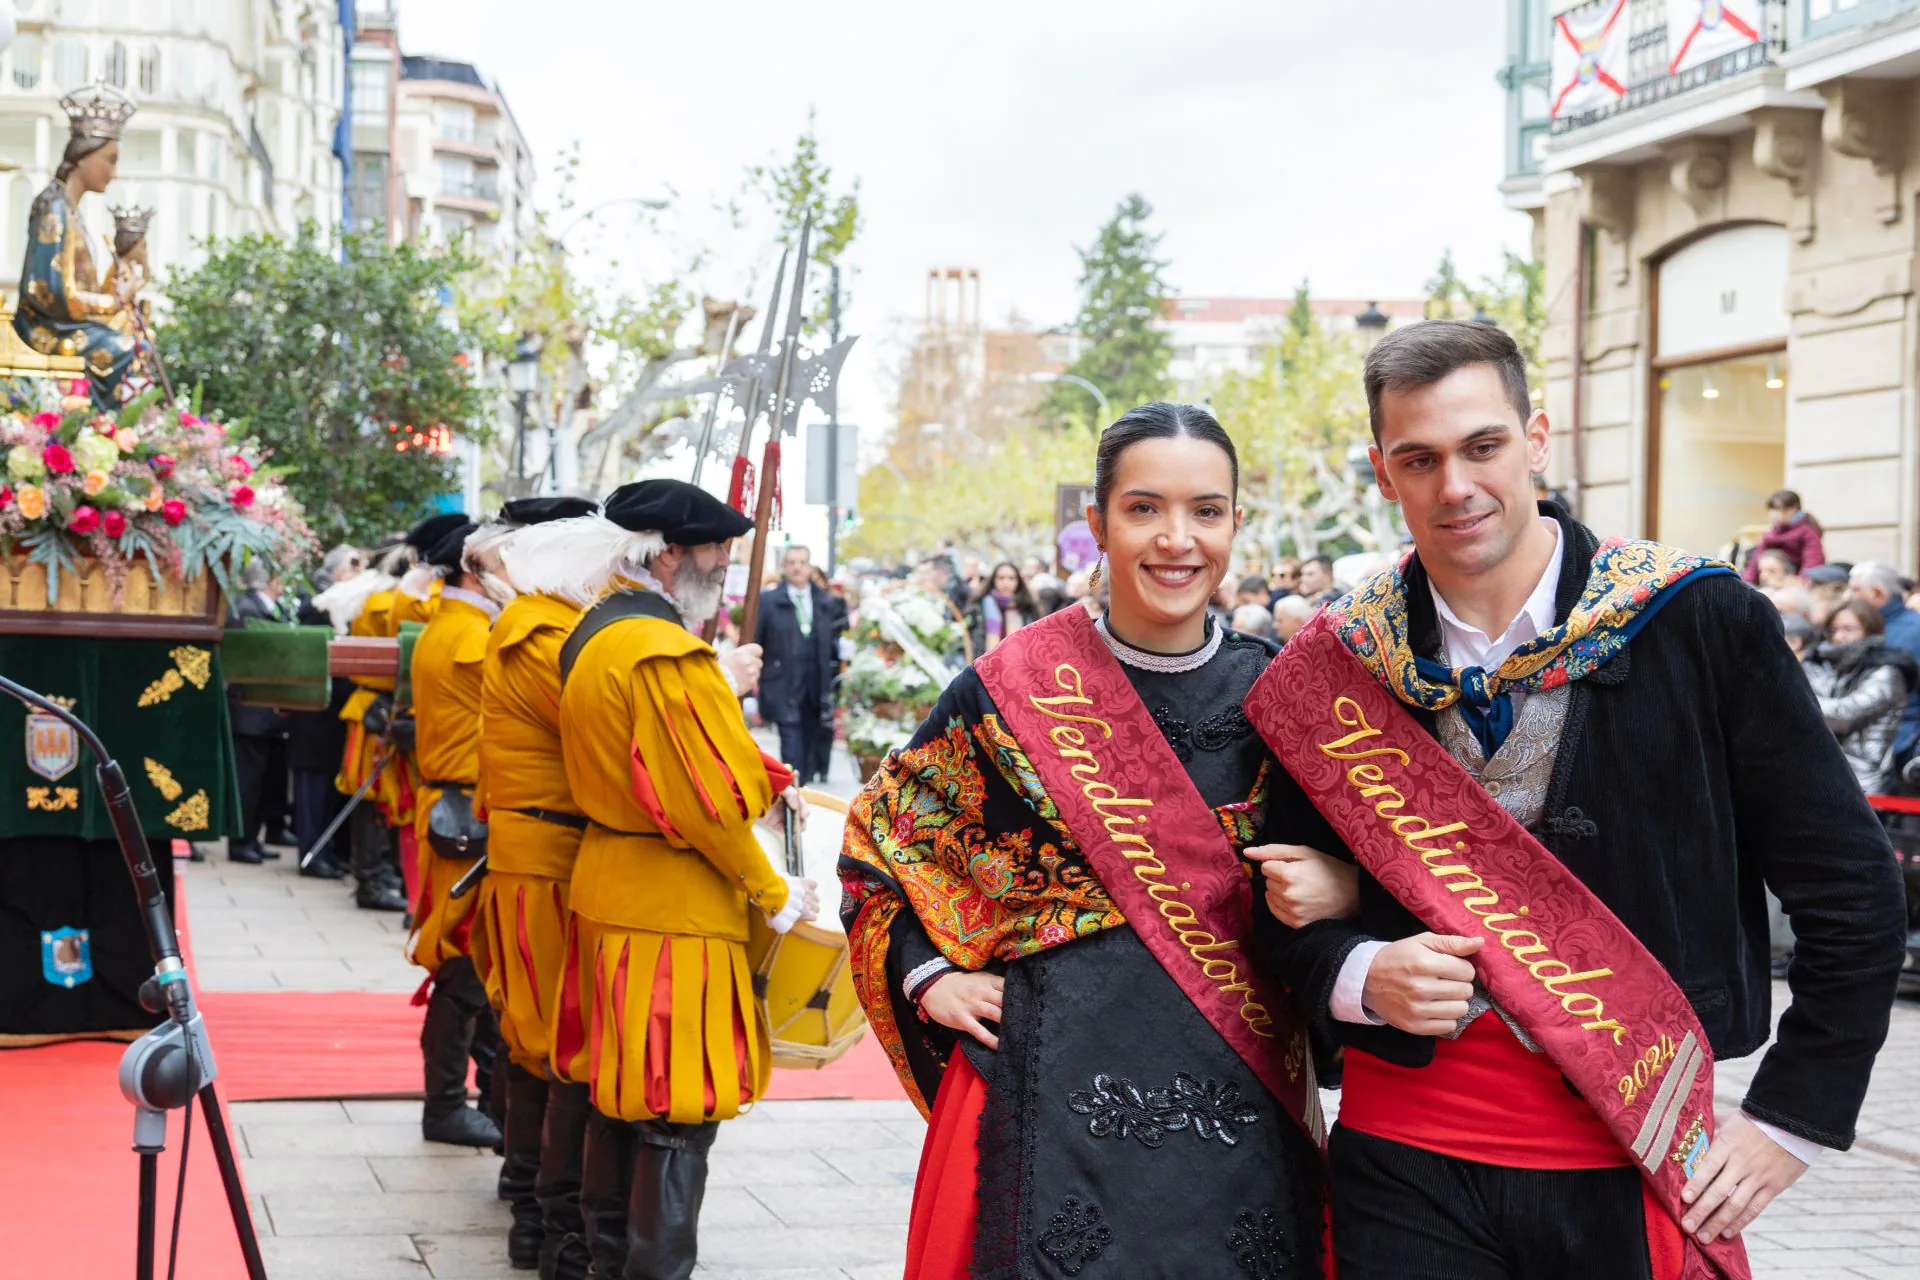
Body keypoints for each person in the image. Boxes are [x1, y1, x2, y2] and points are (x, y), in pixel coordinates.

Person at [1246, 320, 1904, 1279]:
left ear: (1537, 438)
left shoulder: (1699, 619)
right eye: (1418, 460)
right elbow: (1275, 914)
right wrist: (1360, 972)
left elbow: (1853, 892)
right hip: (1404, 1164)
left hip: (1625, 1144)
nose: (1456, 486)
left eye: (1483, 446)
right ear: (1385, 477)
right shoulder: (1338, 663)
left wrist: (1792, 1120)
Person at [843, 402, 1336, 1277]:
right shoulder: (1006, 690)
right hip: (1043, 1081)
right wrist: (928, 974)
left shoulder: (1285, 695)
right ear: (1096, 526)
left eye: (1206, 511)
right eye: (1144, 509)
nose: (1177, 539)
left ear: (1234, 526)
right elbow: (883, 842)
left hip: (1244, 1093)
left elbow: (1370, 871)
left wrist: (1341, 889)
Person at [549, 480, 818, 1280]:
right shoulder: (664, 651)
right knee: (676, 1108)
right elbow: (704, 804)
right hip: (671, 907)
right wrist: (773, 892)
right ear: (668, 551)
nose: (727, 568)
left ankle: (603, 1266)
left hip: (610, 887)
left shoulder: (599, 634)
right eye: (717, 552)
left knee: (619, 1097)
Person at [458, 496, 600, 1274]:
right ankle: (548, 1224)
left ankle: (531, 1201)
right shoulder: (544, 629)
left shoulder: (532, 623)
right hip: (547, 854)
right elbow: (609, 723)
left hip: (531, 848)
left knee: (533, 1032)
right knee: (555, 1040)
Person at [406, 519, 504, 1149]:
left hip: (456, 807)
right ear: (474, 570)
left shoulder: (452, 625)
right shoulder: (475, 636)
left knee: (468, 961)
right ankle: (445, 1105)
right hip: (467, 813)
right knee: (465, 965)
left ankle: (471, 1098)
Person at [14, 84, 144, 409]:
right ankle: (99, 426)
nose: (113, 173)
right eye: (110, 160)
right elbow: (49, 292)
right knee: (121, 346)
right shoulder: (54, 209)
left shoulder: (72, 212)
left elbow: (82, 286)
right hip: (44, 329)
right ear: (84, 156)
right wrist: (111, 302)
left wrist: (122, 277)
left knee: (139, 338)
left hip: (67, 324)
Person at [1804, 599, 1918, 794]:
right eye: (1833, 630)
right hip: (1817, 776)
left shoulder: (1887, 671)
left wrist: (1798, 704)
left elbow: (1845, 715)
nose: (1839, 636)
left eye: (1848, 629)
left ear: (1869, 629)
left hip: (1863, 783)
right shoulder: (1821, 664)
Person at [756, 544, 842, 786]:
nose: (797, 567)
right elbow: (757, 639)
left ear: (810, 567)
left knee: (809, 741)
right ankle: (794, 791)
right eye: (792, 562)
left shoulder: (824, 602)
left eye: (802, 562)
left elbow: (834, 644)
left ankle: (802, 791)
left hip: (814, 686)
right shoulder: (770, 601)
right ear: (784, 567)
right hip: (783, 684)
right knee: (790, 743)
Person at [225, 559, 290, 865]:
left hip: (265, 713)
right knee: (248, 783)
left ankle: (253, 837)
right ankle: (241, 842)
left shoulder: (259, 606)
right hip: (251, 711)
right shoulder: (247, 609)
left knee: (264, 782)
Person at [1848, 561, 1920, 762]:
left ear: (1877, 593)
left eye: (1855, 590)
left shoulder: (1912, 629)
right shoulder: (1858, 624)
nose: (1849, 596)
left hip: (1901, 740)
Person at [1742, 490, 1825, 583]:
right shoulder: (1771, 533)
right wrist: (1746, 583)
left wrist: (1800, 584)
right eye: (1771, 509)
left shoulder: (1808, 531)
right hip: (1772, 582)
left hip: (1794, 582)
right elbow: (1754, 562)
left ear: (1792, 510)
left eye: (1777, 509)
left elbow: (1812, 561)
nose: (1772, 514)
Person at [977, 560, 1036, 651]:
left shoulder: (1027, 606)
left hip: (1018, 660)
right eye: (1001, 578)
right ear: (993, 580)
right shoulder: (980, 605)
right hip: (984, 661)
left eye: (1011, 578)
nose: (1006, 583)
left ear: (1018, 581)